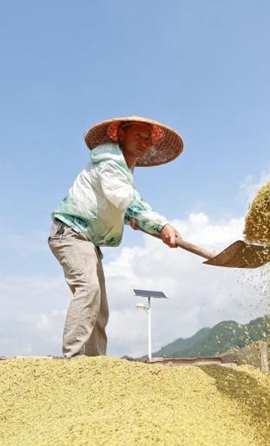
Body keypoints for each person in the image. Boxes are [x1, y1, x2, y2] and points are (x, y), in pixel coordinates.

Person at [49, 116, 184, 358]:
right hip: (70, 232)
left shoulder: (124, 171)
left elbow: (111, 203)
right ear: (120, 135)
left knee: (100, 307)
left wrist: (128, 217)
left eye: (147, 138)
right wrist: (161, 224)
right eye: (137, 135)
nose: (143, 142)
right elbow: (125, 197)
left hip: (87, 240)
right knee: (88, 289)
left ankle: (95, 362)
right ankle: (74, 359)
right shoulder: (109, 164)